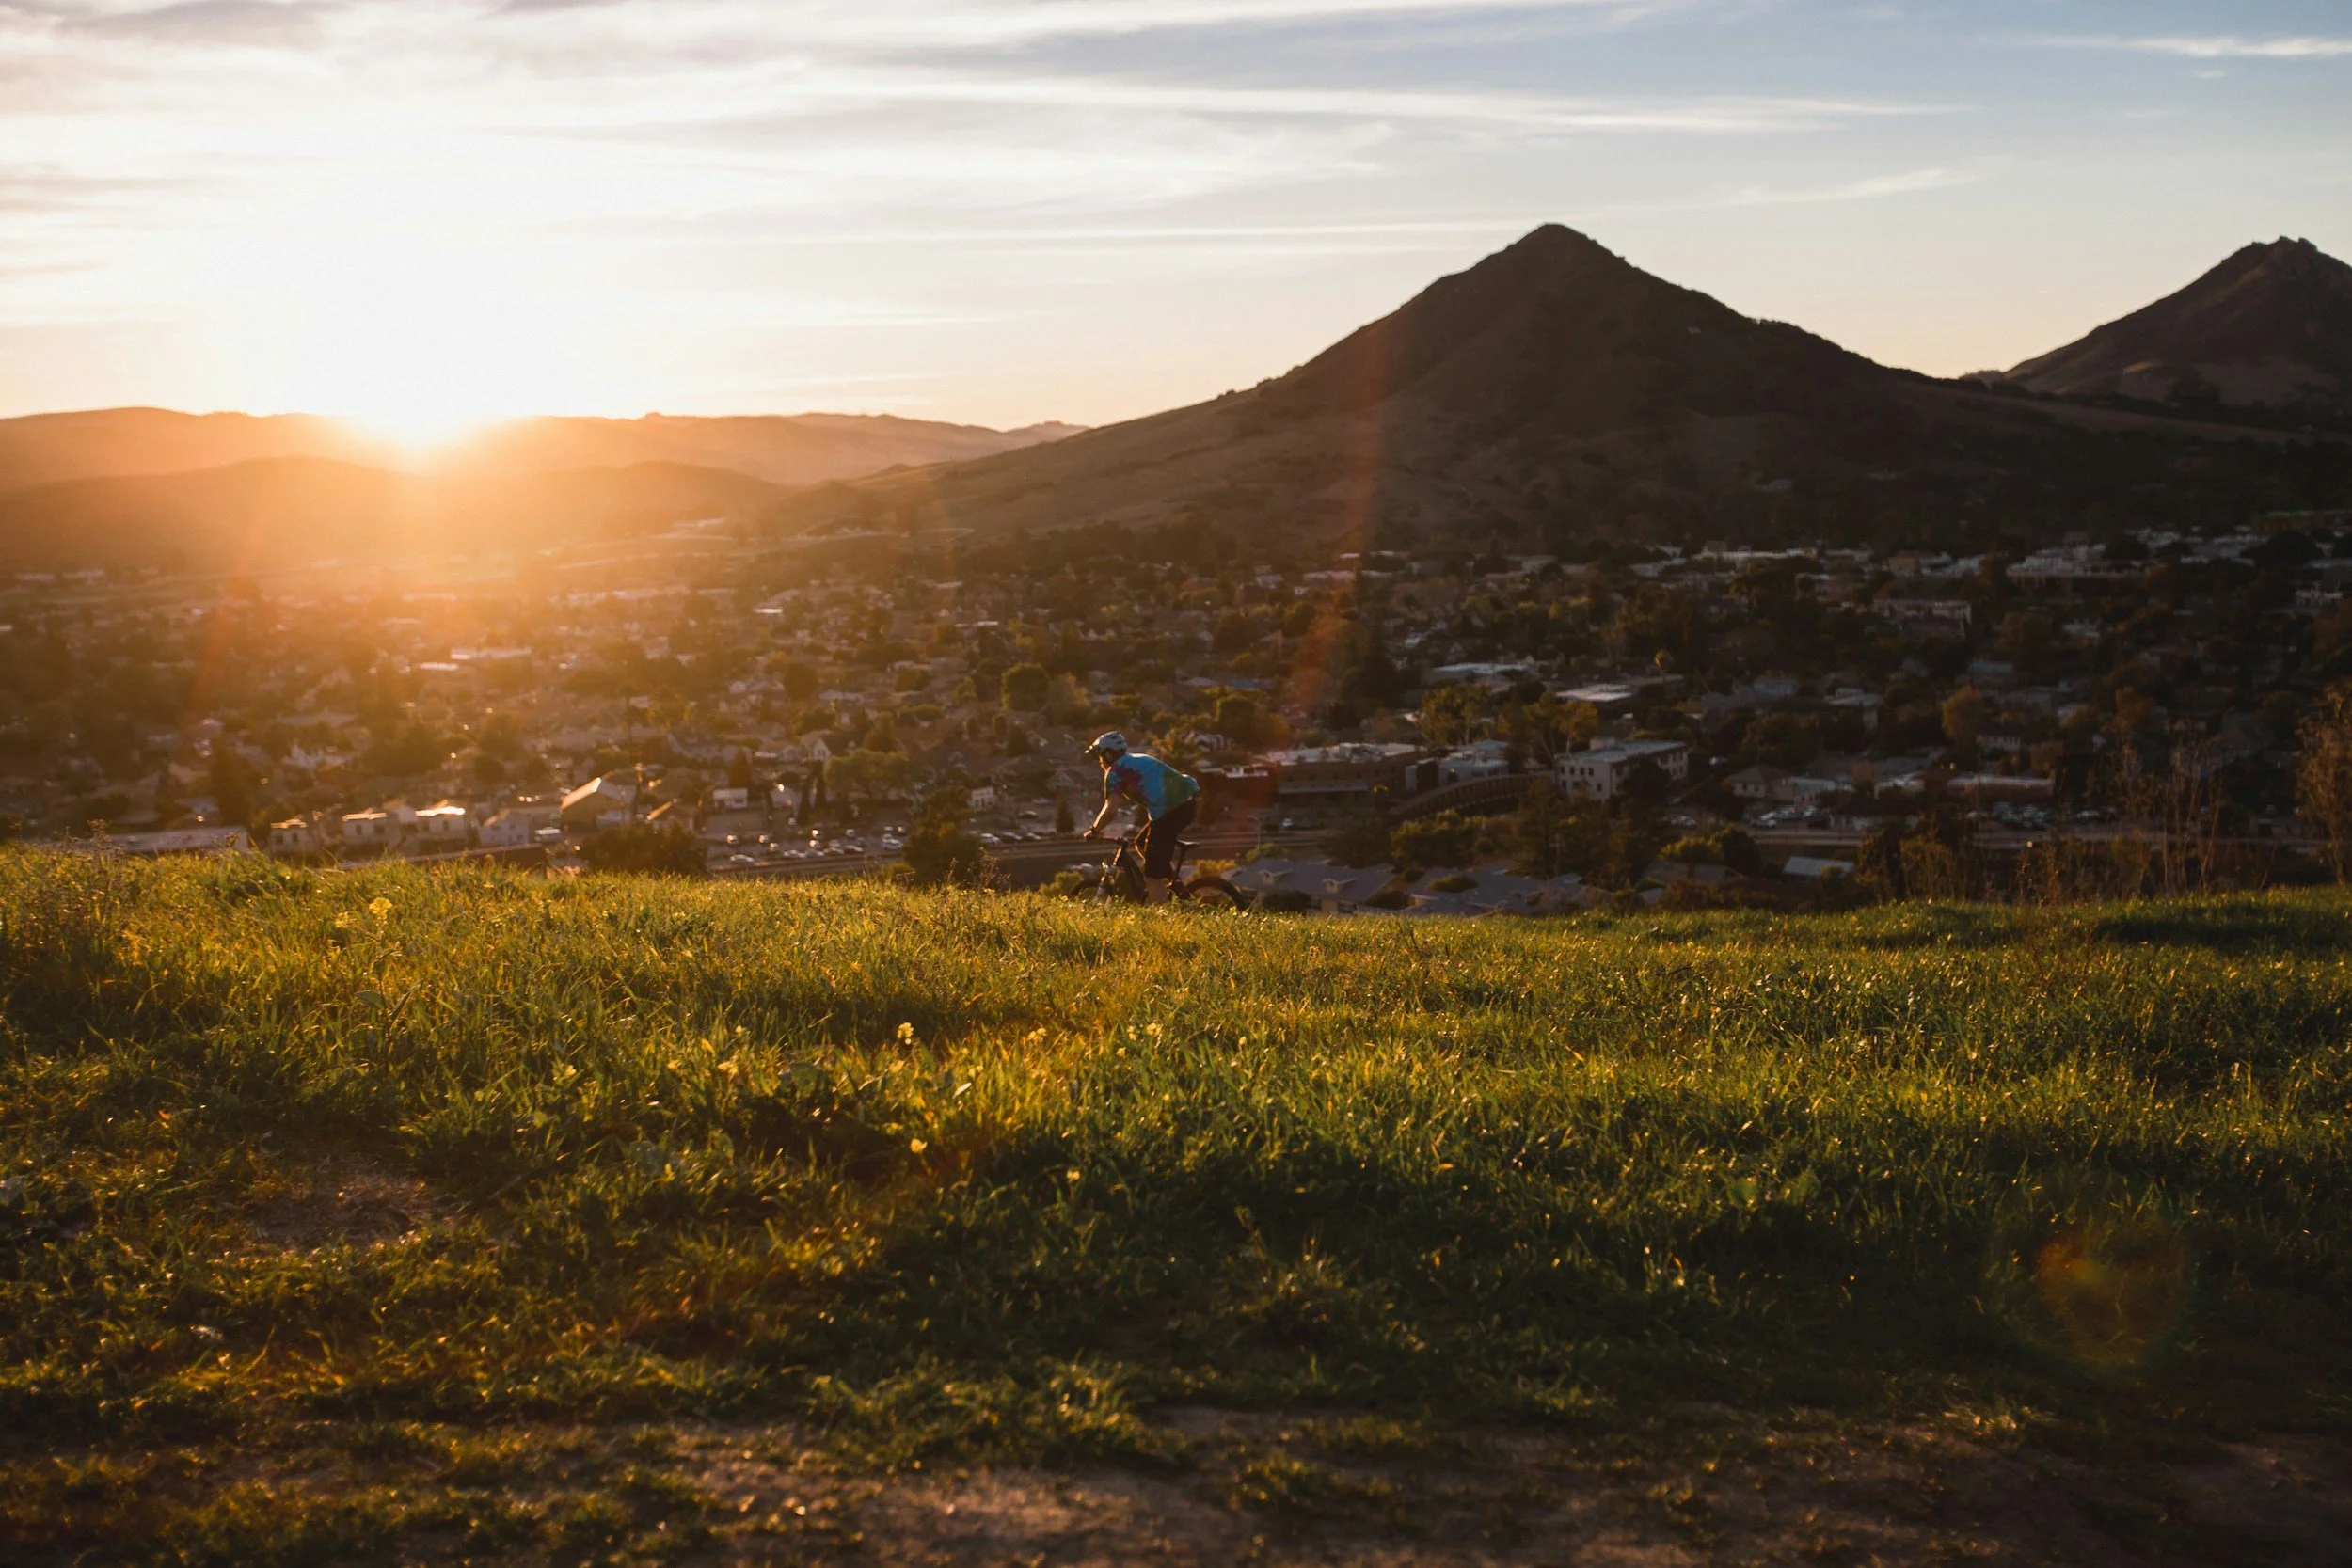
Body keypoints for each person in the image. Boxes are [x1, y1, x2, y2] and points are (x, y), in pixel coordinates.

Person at [1080, 732, 1200, 900]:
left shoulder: (1115, 772)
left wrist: (1094, 830)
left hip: (1169, 812)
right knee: (1141, 843)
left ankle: (1165, 921)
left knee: (1151, 877)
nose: (1100, 762)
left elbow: (1111, 809)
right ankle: (1179, 891)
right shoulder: (1139, 758)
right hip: (1187, 804)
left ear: (1108, 754)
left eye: (1100, 757)